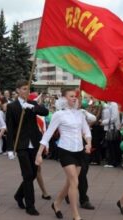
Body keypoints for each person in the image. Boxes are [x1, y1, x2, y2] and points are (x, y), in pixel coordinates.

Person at [36, 87, 92, 220]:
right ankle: (75, 215)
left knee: (70, 183)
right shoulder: (59, 115)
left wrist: (89, 143)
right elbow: (47, 134)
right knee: (74, 181)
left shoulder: (80, 114)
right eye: (71, 96)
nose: (74, 98)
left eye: (75, 96)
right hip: (65, 150)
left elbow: (86, 131)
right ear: (64, 98)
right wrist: (39, 153)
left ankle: (56, 203)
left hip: (79, 151)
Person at [6, 80, 49, 216]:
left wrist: (33, 108)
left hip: (35, 144)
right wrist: (9, 148)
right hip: (21, 145)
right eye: (24, 89)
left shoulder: (32, 103)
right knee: (27, 174)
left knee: (33, 174)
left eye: (28, 89)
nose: (27, 91)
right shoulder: (11, 106)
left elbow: (45, 112)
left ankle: (19, 195)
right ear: (18, 90)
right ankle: (30, 206)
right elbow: (11, 128)